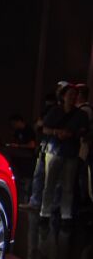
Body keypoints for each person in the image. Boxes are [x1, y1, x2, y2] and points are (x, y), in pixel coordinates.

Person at [40, 84, 89, 224]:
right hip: (54, 150)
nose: (73, 97)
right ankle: (45, 213)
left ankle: (65, 215)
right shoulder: (55, 111)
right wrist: (56, 132)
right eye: (70, 94)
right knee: (49, 184)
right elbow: (44, 128)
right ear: (63, 96)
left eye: (75, 95)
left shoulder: (81, 114)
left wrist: (74, 133)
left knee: (68, 186)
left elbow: (85, 131)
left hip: (71, 152)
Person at [77, 84, 93, 205]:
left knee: (83, 175)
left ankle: (84, 201)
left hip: (83, 147)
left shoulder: (85, 110)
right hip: (82, 147)